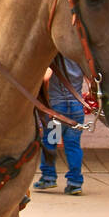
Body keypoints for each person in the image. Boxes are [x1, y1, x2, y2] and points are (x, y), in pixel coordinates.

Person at [34, 56, 86, 195]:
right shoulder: (78, 58)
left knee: (50, 142)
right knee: (73, 145)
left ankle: (48, 178)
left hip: (57, 110)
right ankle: (75, 183)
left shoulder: (54, 58)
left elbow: (46, 77)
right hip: (76, 108)